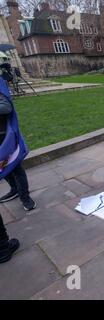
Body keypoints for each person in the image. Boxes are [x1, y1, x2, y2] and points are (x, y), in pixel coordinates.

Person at [0, 73, 36, 263]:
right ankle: (14, 189)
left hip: (4, 137)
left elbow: (6, 107)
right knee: (3, 170)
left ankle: (25, 197)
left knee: (15, 166)